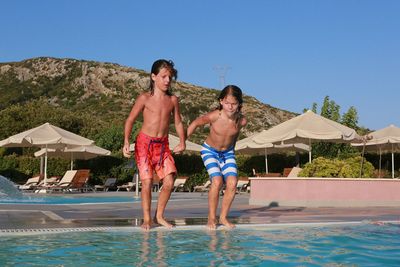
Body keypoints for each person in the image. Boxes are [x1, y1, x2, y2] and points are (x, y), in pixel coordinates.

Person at [123, 59, 186, 230]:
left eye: (170, 77)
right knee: (148, 181)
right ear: (153, 77)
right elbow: (130, 119)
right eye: (164, 76)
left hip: (163, 145)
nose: (167, 80)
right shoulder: (144, 98)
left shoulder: (173, 100)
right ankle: (146, 219)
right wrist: (126, 141)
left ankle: (159, 216)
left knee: (169, 180)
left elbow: (178, 122)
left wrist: (182, 141)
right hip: (144, 144)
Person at [187, 85, 247, 229]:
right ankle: (211, 217)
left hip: (227, 153)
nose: (230, 107)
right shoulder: (215, 116)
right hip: (210, 151)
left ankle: (223, 217)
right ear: (221, 101)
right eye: (227, 103)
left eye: (234, 104)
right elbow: (195, 123)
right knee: (217, 180)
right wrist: (183, 141)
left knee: (232, 183)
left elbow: (234, 136)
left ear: (239, 104)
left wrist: (231, 150)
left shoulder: (241, 121)